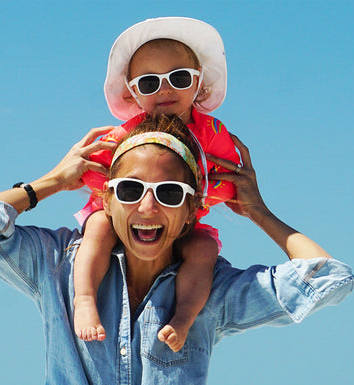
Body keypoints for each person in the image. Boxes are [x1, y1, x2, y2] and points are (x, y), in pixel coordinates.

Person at [0, 114, 354, 385]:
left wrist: (258, 211)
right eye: (130, 189)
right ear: (107, 200)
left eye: (170, 193)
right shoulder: (59, 265)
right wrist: (51, 181)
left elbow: (329, 279)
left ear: (192, 209)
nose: (147, 207)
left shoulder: (211, 289)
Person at [73, 17, 240, 352]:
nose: (165, 90)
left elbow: (229, 178)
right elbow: (92, 170)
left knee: (204, 250)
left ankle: (183, 318)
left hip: (183, 219)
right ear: (133, 92)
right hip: (123, 213)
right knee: (99, 227)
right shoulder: (126, 133)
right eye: (149, 83)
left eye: (178, 78)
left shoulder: (212, 133)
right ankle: (85, 299)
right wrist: (116, 196)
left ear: (199, 82)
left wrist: (199, 200)